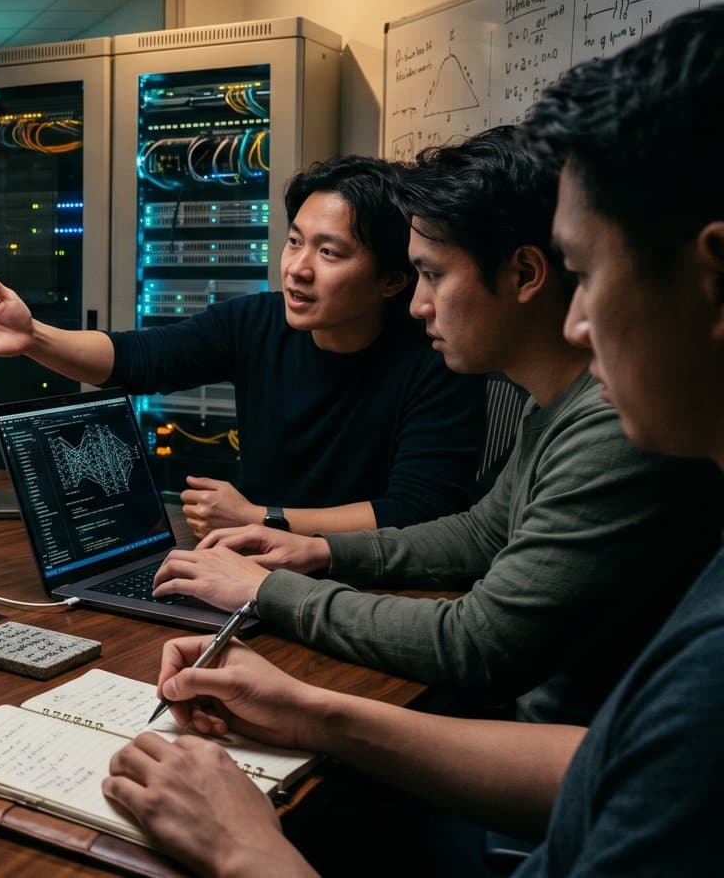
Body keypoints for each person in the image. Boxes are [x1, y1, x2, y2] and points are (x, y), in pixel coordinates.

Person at [99, 5, 724, 877]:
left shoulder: (623, 440)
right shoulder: (570, 415)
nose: (580, 322)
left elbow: (480, 641)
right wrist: (311, 572)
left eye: (588, 274)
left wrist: (249, 853)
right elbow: (480, 538)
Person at [148, 127, 722, 725]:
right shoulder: (555, 401)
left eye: (433, 275)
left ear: (526, 275)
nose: (418, 304)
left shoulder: (612, 425)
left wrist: (267, 591)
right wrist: (316, 551)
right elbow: (481, 533)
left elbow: (478, 644)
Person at [0, 156, 485, 536]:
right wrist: (34, 338)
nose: (298, 268)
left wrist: (263, 518)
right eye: (294, 242)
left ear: (392, 280)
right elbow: (141, 358)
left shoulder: (434, 357)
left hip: (369, 583)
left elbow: (418, 511)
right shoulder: (258, 322)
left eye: (330, 253)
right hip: (253, 567)